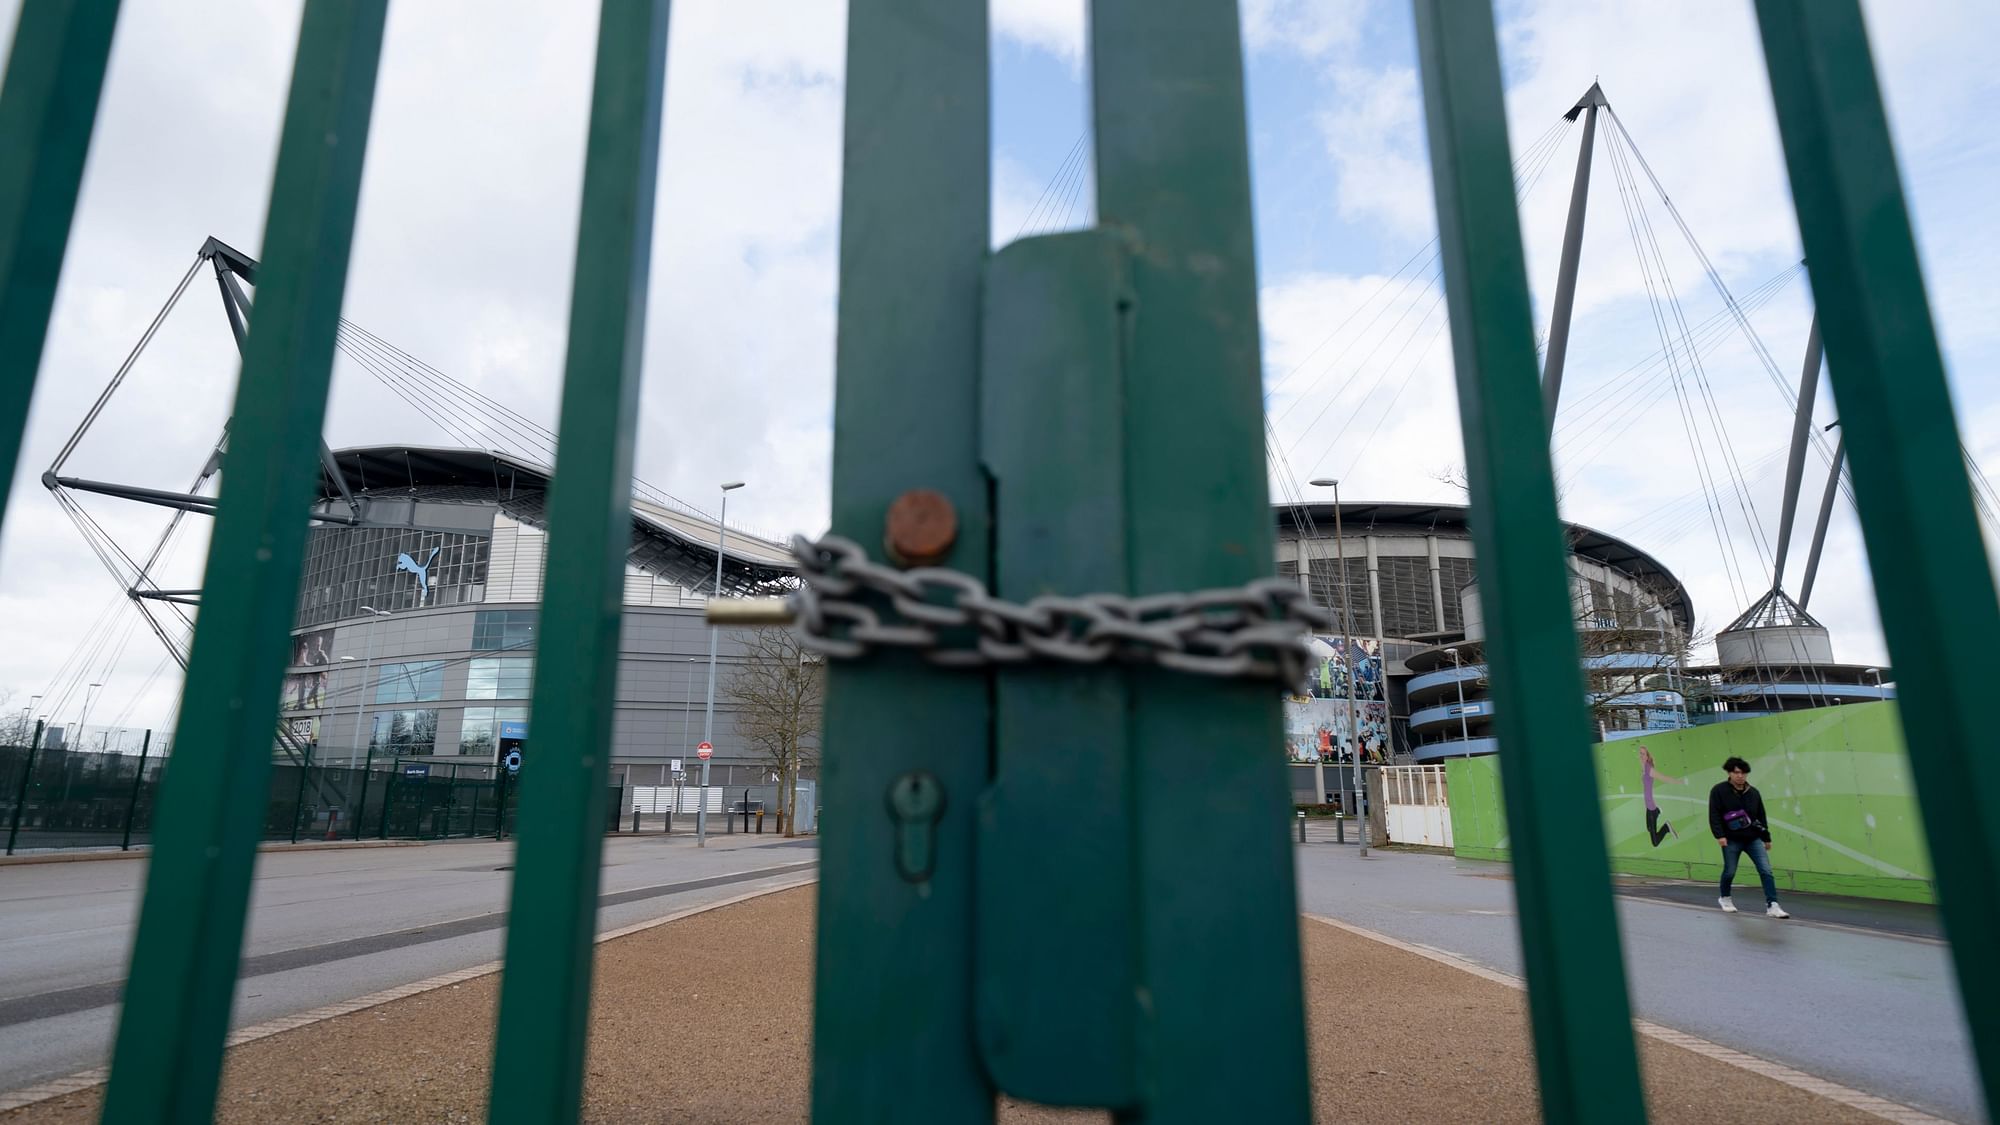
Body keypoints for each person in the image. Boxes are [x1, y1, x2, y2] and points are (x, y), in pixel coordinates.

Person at [1708, 756, 1789, 918]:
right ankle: (1725, 898)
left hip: (1753, 839)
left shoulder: (1753, 793)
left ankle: (1772, 905)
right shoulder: (1719, 790)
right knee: (1730, 871)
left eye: (1744, 773)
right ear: (1729, 773)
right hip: (1731, 839)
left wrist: (1766, 837)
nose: (1740, 776)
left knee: (1766, 870)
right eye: (1736, 773)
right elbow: (1714, 814)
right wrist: (1719, 835)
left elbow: (1761, 816)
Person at [1635, 743, 1681, 847]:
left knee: (1655, 843)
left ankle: (1666, 827)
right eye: (1640, 753)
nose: (1641, 756)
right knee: (1649, 828)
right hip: (1649, 807)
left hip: (1650, 807)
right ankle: (1657, 811)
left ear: (1647, 756)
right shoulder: (1644, 767)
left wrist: (1678, 782)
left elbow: (1664, 778)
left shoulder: (1649, 769)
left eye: (1643, 754)